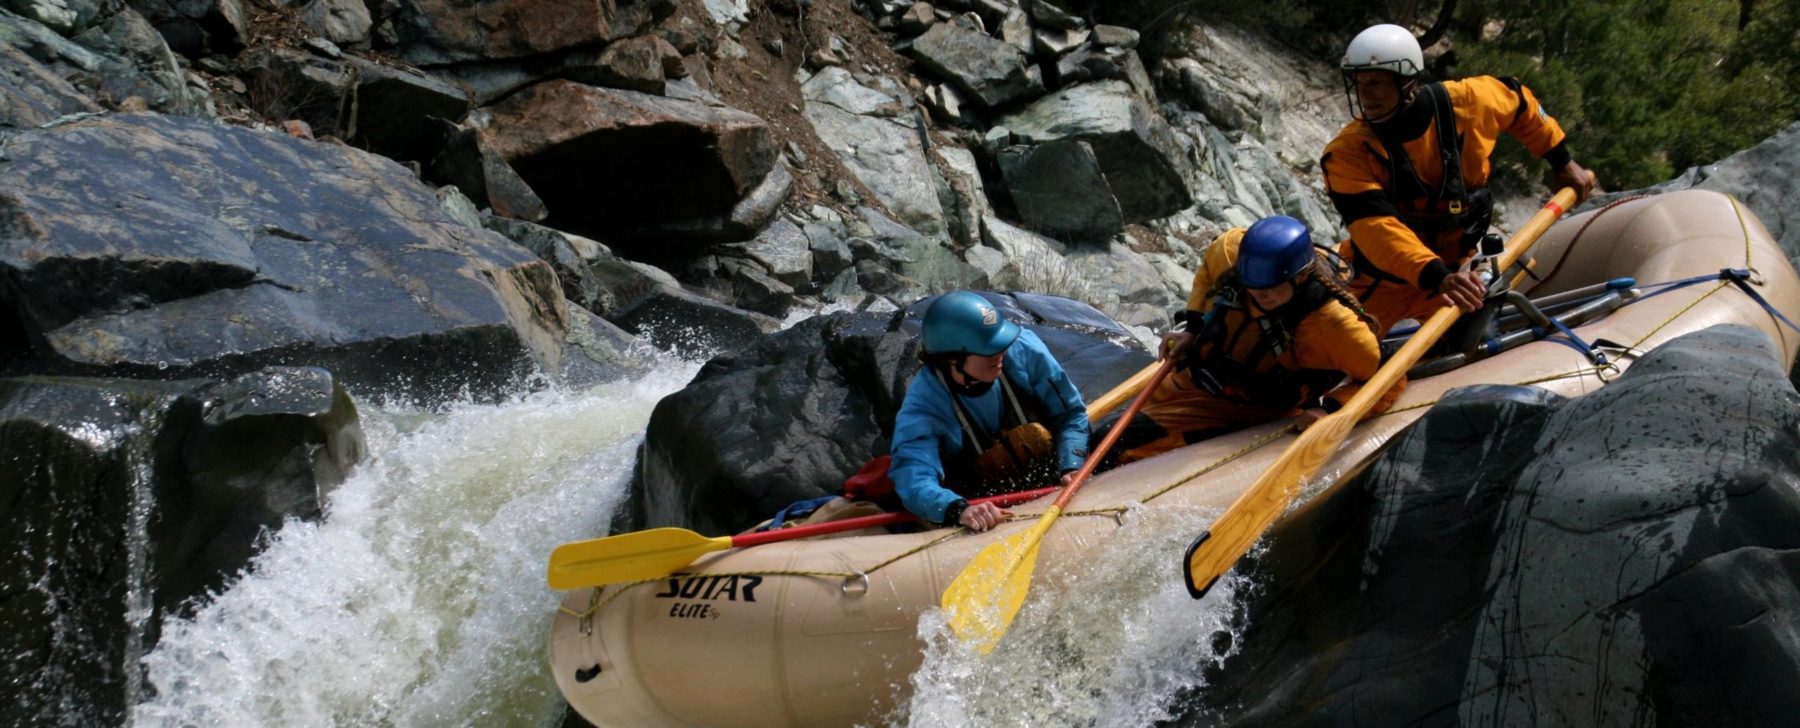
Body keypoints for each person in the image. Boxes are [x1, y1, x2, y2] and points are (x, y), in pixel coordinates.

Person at [1323, 23, 1600, 334]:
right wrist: (1437, 275)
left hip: (1456, 272)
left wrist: (1561, 160)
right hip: (1382, 279)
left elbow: (1520, 102)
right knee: (1340, 348)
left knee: (1471, 340)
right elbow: (1378, 231)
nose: (1365, 95)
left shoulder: (1469, 101)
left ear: (1406, 81)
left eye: (1375, 83)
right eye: (1359, 84)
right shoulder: (1347, 153)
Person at [1098, 216, 1395, 464]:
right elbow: (1206, 275)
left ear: (1301, 277)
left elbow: (1389, 378)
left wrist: (1332, 408)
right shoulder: (1231, 253)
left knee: (1114, 445)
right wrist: (1194, 324)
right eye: (1251, 286)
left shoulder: (1334, 326)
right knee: (1085, 435)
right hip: (1190, 377)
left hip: (1241, 411)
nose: (1258, 294)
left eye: (1270, 289)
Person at [889, 291, 1090, 532]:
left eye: (1001, 344)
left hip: (1048, 473)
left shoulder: (1024, 349)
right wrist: (958, 509)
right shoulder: (924, 402)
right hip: (982, 497)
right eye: (988, 349)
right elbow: (914, 477)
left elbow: (1071, 414)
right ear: (953, 359)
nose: (1000, 353)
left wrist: (1072, 465)